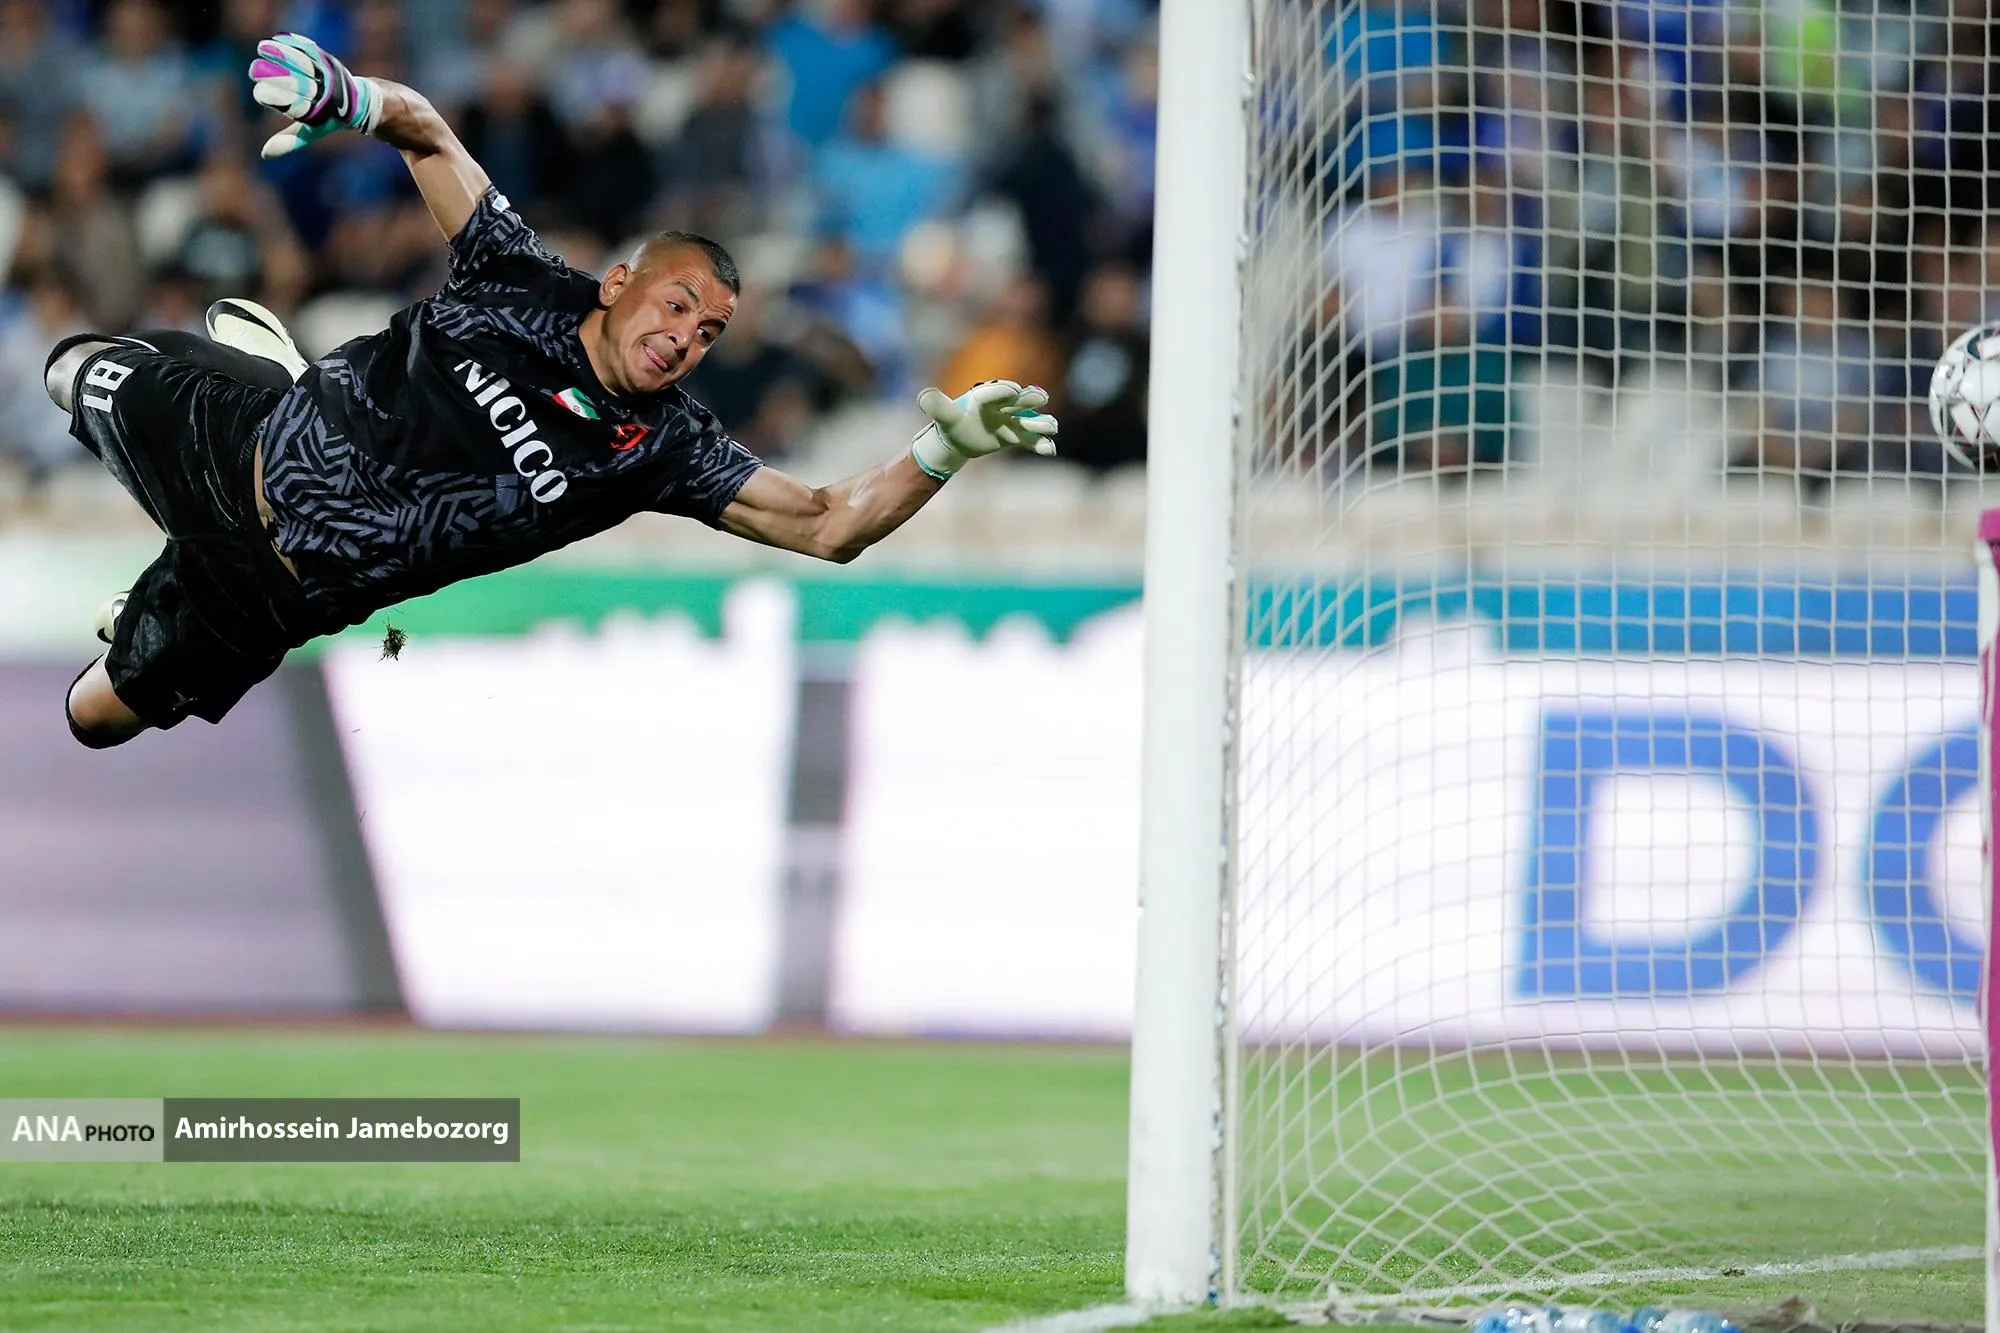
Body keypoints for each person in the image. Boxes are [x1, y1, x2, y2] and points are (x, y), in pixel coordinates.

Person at [46, 33, 1059, 749]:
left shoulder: (662, 448)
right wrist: (349, 95)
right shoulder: (519, 278)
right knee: (66, 366)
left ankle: (161, 583)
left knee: (91, 719)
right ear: (619, 282)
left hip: (269, 589)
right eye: (676, 305)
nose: (685, 338)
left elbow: (830, 525)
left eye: (708, 332)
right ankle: (270, 389)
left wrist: (943, 451)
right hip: (240, 440)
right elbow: (427, 132)